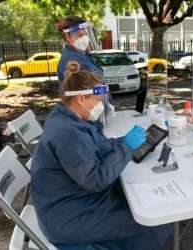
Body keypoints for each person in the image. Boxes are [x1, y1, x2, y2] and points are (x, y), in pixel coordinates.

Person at [31, 61, 171, 250]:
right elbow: (95, 180)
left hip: (74, 202)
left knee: (137, 203)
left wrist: (123, 141)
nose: (100, 104)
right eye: (97, 100)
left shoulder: (69, 118)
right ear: (81, 99)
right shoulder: (68, 133)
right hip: (69, 217)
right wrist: (126, 148)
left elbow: (98, 146)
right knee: (152, 222)